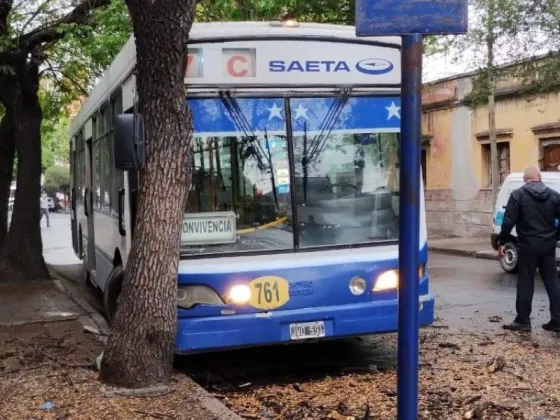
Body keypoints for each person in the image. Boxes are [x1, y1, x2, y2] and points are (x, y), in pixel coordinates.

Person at [497, 165, 560, 331]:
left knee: (526, 283)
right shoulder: (554, 196)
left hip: (527, 247)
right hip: (548, 247)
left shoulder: (518, 195)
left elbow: (508, 221)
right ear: (539, 176)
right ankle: (557, 320)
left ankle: (523, 321)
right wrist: (555, 237)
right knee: (552, 283)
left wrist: (502, 242)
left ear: (525, 179)